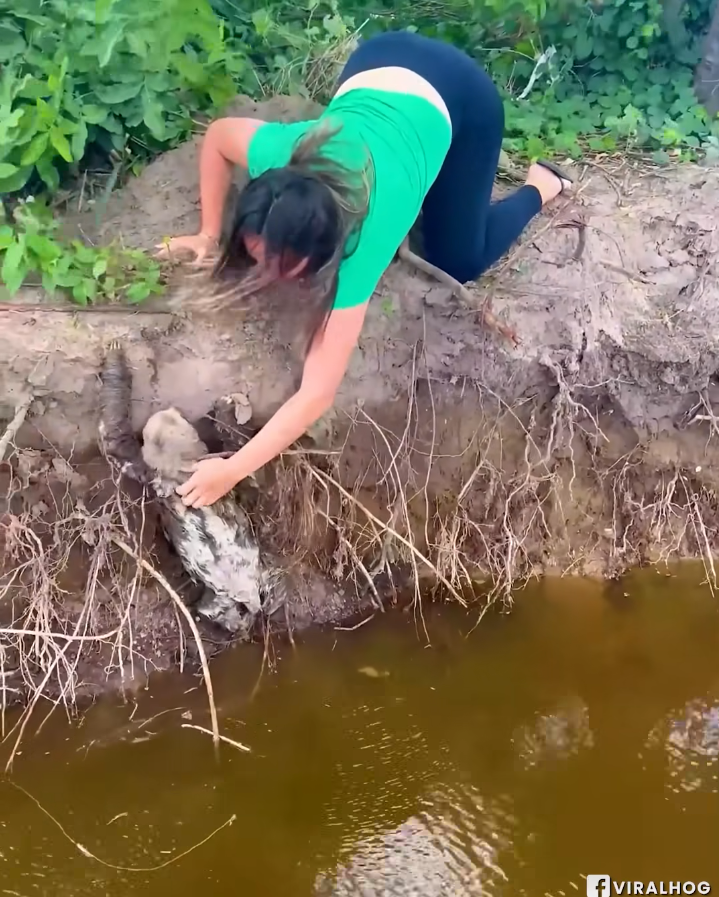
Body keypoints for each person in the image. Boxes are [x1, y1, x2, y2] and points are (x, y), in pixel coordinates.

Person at [158, 29, 572, 509]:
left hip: (461, 95)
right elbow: (218, 137)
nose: (265, 273)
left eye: (281, 264)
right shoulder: (282, 156)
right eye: (256, 253)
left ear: (326, 249)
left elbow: (316, 394)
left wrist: (232, 468)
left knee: (457, 259)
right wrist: (209, 235)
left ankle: (543, 186)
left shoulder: (360, 244)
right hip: (377, 57)